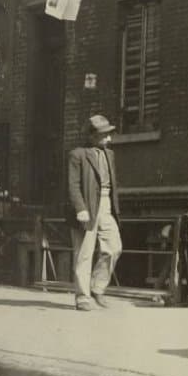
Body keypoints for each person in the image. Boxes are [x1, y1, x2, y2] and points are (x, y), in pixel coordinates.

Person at [67, 114, 122, 311]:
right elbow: (73, 185)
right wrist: (80, 208)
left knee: (114, 247)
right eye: (104, 135)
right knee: (84, 253)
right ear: (91, 136)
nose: (109, 138)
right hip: (87, 205)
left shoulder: (109, 154)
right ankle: (83, 297)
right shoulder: (77, 155)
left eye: (109, 134)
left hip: (106, 205)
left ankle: (97, 287)